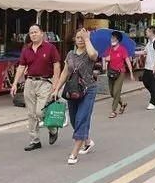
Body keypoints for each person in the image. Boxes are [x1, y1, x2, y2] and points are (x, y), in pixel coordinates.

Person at [10, 24, 62, 152]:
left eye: (35, 32)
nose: (33, 34)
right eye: (31, 32)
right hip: (30, 82)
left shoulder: (50, 48)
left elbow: (57, 66)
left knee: (40, 112)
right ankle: (35, 140)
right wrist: (15, 83)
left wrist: (55, 85)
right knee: (31, 113)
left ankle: (53, 129)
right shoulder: (26, 49)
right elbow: (21, 67)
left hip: (45, 82)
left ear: (42, 33)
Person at [52, 29, 99, 165]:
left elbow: (93, 55)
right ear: (74, 39)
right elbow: (65, 72)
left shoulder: (90, 52)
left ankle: (74, 153)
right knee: (73, 120)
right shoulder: (70, 54)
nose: (80, 39)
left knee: (81, 118)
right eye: (78, 37)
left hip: (88, 90)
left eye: (82, 37)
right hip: (72, 90)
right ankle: (88, 141)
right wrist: (57, 89)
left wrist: (87, 38)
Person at [103, 30, 133, 118]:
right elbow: (105, 58)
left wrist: (131, 73)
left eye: (114, 38)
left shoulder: (122, 49)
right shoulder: (109, 49)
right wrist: (105, 63)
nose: (112, 39)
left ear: (118, 40)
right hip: (111, 72)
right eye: (111, 38)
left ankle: (113, 111)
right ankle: (122, 103)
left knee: (116, 91)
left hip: (120, 72)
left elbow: (127, 61)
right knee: (112, 93)